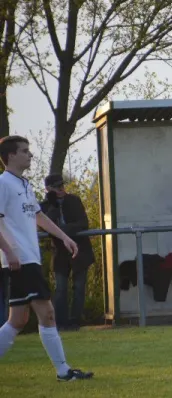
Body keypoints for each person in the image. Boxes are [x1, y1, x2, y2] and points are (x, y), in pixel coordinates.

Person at [0, 135, 93, 381]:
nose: (30, 155)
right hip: (21, 259)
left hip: (29, 258)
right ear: (11, 156)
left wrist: (64, 237)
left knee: (18, 320)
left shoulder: (25, 184)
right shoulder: (3, 183)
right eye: (25, 151)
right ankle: (63, 371)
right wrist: (10, 252)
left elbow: (39, 217)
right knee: (48, 312)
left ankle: (63, 371)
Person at [40, 174, 95, 331]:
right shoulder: (45, 207)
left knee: (79, 287)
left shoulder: (74, 200)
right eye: (57, 187)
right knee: (60, 289)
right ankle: (61, 322)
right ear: (49, 189)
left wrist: (62, 232)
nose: (62, 189)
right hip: (60, 254)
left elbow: (83, 223)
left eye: (62, 185)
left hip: (80, 251)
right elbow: (43, 226)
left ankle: (75, 321)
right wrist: (53, 207)